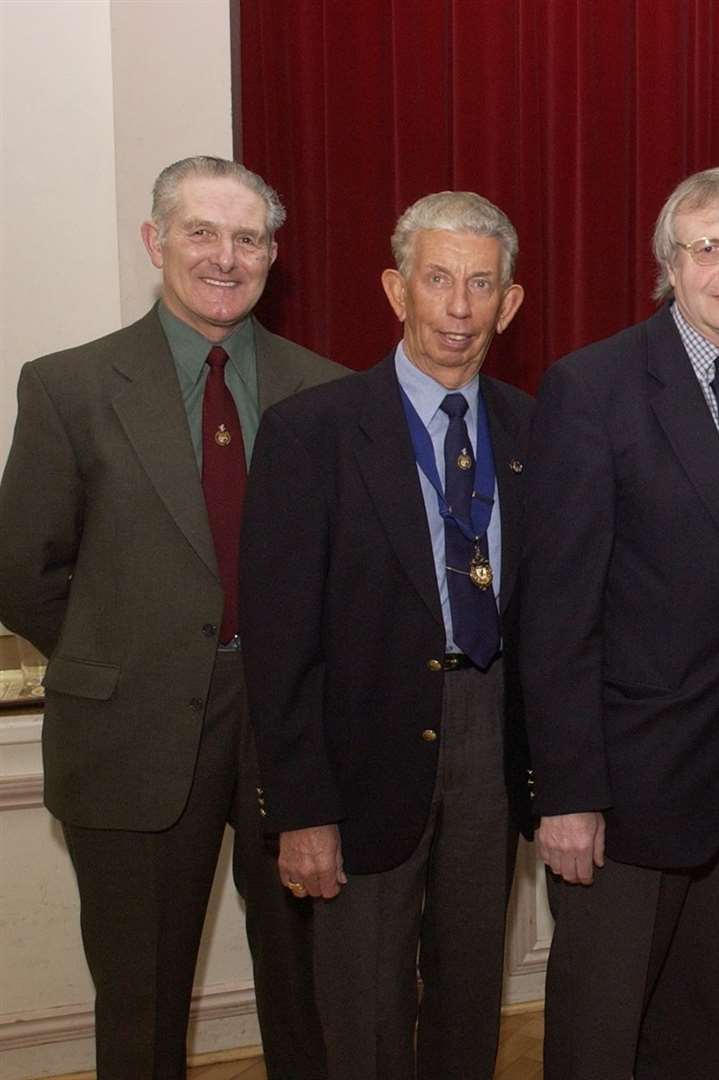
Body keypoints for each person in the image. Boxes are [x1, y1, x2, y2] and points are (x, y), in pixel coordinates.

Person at [0, 155, 337, 1079]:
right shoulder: (69, 388)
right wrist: (121, 651)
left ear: (273, 255)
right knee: (140, 1006)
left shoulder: (329, 394)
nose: (225, 257)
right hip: (129, 732)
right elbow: (23, 571)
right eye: (202, 232)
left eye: (249, 238)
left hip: (292, 736)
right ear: (156, 242)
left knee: (310, 992)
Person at [239, 190, 536, 1078]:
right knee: (362, 1012)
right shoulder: (310, 433)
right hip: (360, 750)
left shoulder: (538, 429)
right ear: (394, 290)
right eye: (437, 280)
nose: (458, 307)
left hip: (493, 738)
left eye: (481, 285)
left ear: (510, 303)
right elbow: (279, 643)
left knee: (470, 995)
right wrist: (301, 811)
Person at [519, 165, 719, 1079]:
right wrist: (566, 792)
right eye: (709, 246)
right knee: (598, 1036)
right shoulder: (592, 387)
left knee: (697, 1022)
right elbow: (556, 612)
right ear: (668, 266)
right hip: (621, 783)